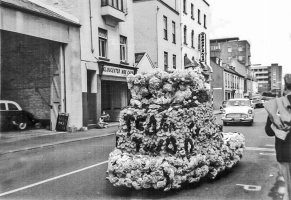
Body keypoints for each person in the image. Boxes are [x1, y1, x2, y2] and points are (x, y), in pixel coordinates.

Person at [265, 74, 291, 200]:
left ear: (284, 88)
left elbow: (269, 132)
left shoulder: (276, 105)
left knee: (289, 189)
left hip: (284, 153)